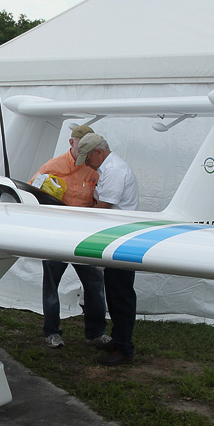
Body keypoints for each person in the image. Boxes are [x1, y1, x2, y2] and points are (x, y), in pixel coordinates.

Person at [32, 124, 109, 349]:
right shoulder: (52, 166)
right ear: (71, 143)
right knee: (51, 283)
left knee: (95, 283)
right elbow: (31, 193)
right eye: (80, 144)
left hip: (84, 236)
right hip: (56, 235)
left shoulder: (96, 168)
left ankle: (95, 332)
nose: (84, 149)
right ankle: (52, 332)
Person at [75, 133, 140, 366]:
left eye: (88, 158)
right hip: (117, 237)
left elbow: (102, 207)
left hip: (121, 239)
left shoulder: (114, 172)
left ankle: (124, 348)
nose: (87, 163)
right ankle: (121, 341)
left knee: (120, 295)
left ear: (99, 153)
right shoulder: (109, 169)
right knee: (116, 293)